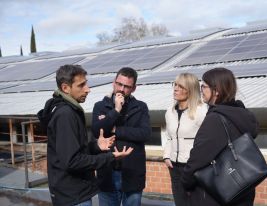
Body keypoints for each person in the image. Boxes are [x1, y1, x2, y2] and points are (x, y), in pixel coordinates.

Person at [37, 64, 133, 206]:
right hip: (73, 195)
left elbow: (71, 150)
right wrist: (110, 157)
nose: (88, 89)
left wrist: (96, 146)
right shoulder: (65, 114)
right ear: (65, 88)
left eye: (86, 84)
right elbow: (73, 161)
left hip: (73, 192)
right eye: (81, 85)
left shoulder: (69, 110)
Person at [181, 67, 259, 206]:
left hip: (215, 195)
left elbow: (198, 158)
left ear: (216, 91)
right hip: (242, 190)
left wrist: (186, 182)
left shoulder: (216, 119)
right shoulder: (241, 114)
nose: (201, 91)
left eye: (204, 87)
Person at [92, 67, 152, 206]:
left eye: (127, 86)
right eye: (119, 84)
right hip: (107, 172)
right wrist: (116, 110)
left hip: (132, 173)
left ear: (133, 88)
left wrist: (114, 129)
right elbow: (97, 132)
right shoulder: (100, 106)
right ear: (114, 83)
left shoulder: (140, 107)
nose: (121, 89)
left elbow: (145, 133)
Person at [163, 73, 208, 206]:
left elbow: (206, 141)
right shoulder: (169, 111)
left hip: (194, 168)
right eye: (175, 85)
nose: (176, 89)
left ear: (191, 89)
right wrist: (166, 156)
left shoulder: (202, 111)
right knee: (180, 203)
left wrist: (196, 164)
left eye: (181, 86)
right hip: (174, 167)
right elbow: (168, 137)